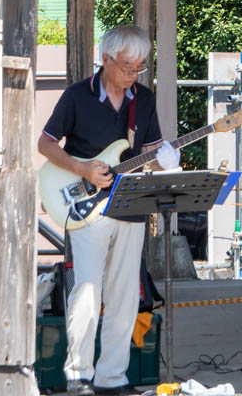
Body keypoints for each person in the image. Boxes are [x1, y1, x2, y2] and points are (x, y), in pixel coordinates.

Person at [38, 26, 179, 396]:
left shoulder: (143, 100)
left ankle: (112, 378)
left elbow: (151, 153)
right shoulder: (76, 97)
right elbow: (46, 144)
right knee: (86, 291)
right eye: (128, 66)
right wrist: (83, 170)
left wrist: (167, 161)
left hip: (131, 208)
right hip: (85, 208)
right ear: (105, 59)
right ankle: (78, 376)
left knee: (124, 296)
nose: (134, 74)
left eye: (140, 67)